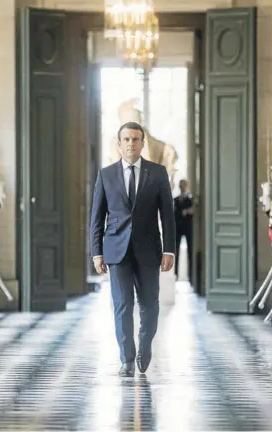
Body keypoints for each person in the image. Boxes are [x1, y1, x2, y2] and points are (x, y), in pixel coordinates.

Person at [90, 121, 176, 377]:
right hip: (116, 250)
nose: (130, 144)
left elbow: (168, 216)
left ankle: (145, 348)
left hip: (149, 250)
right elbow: (96, 216)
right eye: (126, 139)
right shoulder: (106, 175)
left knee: (150, 304)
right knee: (122, 304)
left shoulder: (158, 173)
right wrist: (96, 252)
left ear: (142, 143)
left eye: (135, 139)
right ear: (119, 144)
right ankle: (126, 357)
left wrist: (169, 250)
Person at [173, 179, 193, 280]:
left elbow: (192, 212)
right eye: (181, 185)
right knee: (176, 251)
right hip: (178, 228)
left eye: (183, 185)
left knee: (190, 251)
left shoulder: (191, 200)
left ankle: (191, 274)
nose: (182, 187)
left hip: (189, 229)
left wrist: (186, 211)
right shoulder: (175, 199)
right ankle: (176, 273)